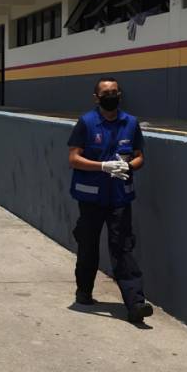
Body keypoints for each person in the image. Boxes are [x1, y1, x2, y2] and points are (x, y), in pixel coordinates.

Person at [68, 77, 153, 324]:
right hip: (90, 198)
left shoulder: (131, 123)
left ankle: (135, 304)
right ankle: (84, 291)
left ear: (120, 95)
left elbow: (139, 157)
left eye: (114, 92)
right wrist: (103, 166)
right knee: (88, 247)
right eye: (106, 93)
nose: (111, 96)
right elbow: (73, 158)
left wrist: (129, 166)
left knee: (122, 248)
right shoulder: (86, 123)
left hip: (119, 197)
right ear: (96, 98)